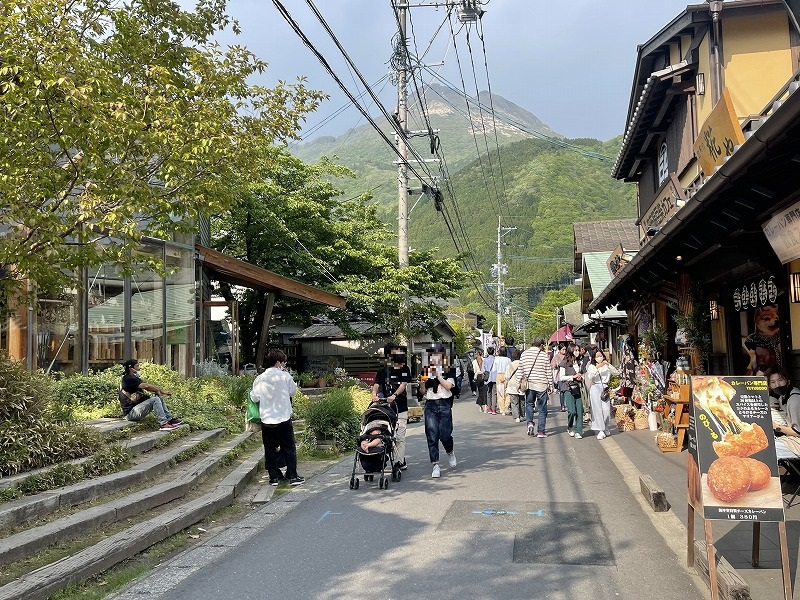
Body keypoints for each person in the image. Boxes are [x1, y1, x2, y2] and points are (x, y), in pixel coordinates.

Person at [251, 349, 304, 486]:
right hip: (283, 418)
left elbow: (254, 397)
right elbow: (293, 391)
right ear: (278, 362)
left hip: (267, 419)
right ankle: (292, 476)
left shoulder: (260, 378)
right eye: (283, 362)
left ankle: (274, 477)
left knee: (269, 448)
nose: (284, 364)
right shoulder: (285, 376)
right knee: (289, 447)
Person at [372, 343, 411, 471]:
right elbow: (376, 385)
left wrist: (394, 395)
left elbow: (403, 385)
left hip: (401, 409)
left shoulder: (405, 369)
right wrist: (374, 395)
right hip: (386, 411)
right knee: (385, 436)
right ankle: (385, 460)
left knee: (399, 437)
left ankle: (398, 462)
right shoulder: (383, 371)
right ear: (389, 356)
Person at [119, 359, 182, 430]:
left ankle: (169, 420)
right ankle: (163, 423)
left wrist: (160, 391)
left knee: (158, 397)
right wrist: (159, 390)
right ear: (131, 368)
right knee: (155, 400)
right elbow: (146, 386)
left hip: (137, 409)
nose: (139, 368)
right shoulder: (128, 379)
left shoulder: (133, 378)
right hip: (131, 414)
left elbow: (148, 387)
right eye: (137, 366)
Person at [420, 364, 457, 478]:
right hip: (431, 405)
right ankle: (435, 464)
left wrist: (438, 376)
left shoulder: (449, 370)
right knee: (432, 435)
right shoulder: (426, 371)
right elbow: (422, 392)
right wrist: (422, 384)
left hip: (444, 404)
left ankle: (450, 452)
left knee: (445, 435)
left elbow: (449, 386)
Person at [518, 336, 552, 437]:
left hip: (529, 385)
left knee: (529, 404)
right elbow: (548, 371)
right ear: (541, 345)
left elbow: (520, 369)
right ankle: (541, 431)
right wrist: (551, 385)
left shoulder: (524, 354)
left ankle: (529, 423)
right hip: (541, 385)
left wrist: (518, 383)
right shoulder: (543, 355)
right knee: (542, 409)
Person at [765, 366, 800, 460]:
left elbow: (797, 431)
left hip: (797, 442)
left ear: (787, 381)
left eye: (780, 380)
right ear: (769, 386)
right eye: (773, 382)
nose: (777, 385)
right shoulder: (782, 397)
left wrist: (776, 427)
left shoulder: (794, 399)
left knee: (767, 450)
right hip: (790, 437)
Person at [585, 349, 619, 440]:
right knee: (597, 410)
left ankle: (605, 426)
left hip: (605, 388)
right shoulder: (591, 366)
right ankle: (600, 430)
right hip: (595, 388)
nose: (599, 358)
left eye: (601, 356)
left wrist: (608, 365)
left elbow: (616, 372)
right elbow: (590, 376)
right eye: (597, 356)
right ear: (594, 358)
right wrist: (598, 366)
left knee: (606, 410)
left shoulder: (606, 365)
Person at [559, 344, 584, 439]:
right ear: (571, 351)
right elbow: (561, 377)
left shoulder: (579, 362)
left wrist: (580, 377)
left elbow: (583, 373)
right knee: (572, 411)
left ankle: (579, 430)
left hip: (578, 388)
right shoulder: (564, 363)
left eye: (578, 350)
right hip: (568, 388)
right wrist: (572, 377)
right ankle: (570, 427)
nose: (577, 352)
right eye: (575, 350)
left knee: (579, 410)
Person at [506, 349, 525, 422]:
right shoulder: (522, 364)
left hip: (512, 386)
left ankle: (516, 417)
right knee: (522, 401)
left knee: (514, 402)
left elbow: (507, 376)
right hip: (521, 385)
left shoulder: (510, 365)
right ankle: (522, 415)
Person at [493, 348, 512, 415]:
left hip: (499, 375)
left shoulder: (497, 359)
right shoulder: (508, 359)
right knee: (507, 392)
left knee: (500, 393)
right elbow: (510, 368)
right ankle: (506, 406)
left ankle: (502, 409)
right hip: (507, 375)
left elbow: (494, 369)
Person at [551, 344, 567, 412]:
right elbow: (553, 365)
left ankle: (568, 404)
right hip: (560, 376)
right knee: (562, 391)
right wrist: (556, 365)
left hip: (568, 375)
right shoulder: (556, 356)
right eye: (563, 349)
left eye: (565, 349)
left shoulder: (567, 356)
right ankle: (562, 405)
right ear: (560, 350)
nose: (564, 351)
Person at [483, 347, 498, 414]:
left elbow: (483, 370)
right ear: (493, 351)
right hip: (495, 377)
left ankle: (489, 409)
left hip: (487, 378)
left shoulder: (485, 360)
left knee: (488, 393)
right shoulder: (495, 359)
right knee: (494, 394)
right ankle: (494, 409)